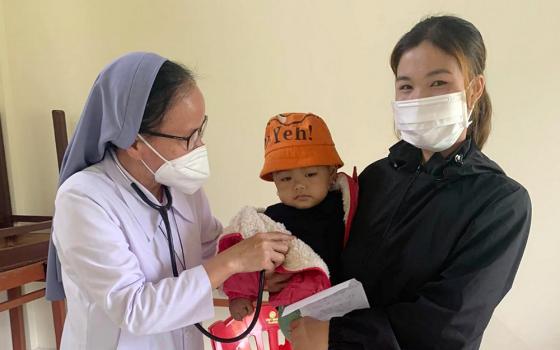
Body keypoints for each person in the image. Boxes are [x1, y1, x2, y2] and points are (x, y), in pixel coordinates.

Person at [289, 15, 532, 350]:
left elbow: (450, 324)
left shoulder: (500, 203)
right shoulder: (375, 177)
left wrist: (337, 336)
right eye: (405, 86)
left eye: (438, 83)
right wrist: (287, 273)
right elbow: (333, 260)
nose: (418, 99)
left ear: (474, 88)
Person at [45, 52, 293, 350]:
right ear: (134, 142)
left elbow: (210, 252)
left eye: (201, 129)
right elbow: (134, 309)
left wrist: (255, 274)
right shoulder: (83, 199)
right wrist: (235, 260)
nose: (199, 146)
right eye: (187, 137)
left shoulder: (180, 184)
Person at [215, 113, 358, 333]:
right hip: (296, 309)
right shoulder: (270, 220)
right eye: (286, 179)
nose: (299, 185)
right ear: (275, 183)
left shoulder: (345, 207)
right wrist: (239, 296)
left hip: (345, 305)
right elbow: (246, 263)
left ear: (331, 174)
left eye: (310, 174)